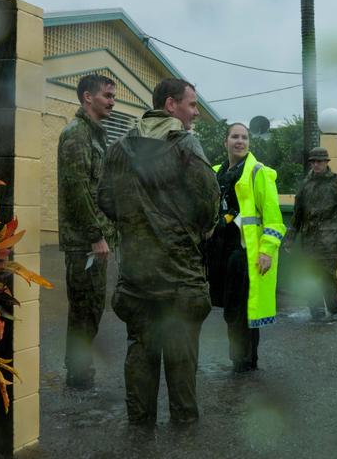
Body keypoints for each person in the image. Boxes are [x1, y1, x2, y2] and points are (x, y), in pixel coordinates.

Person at [98, 78, 219, 424]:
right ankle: (184, 435)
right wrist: (187, 231)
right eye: (192, 105)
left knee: (140, 352)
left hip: (136, 277)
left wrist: (136, 227)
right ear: (171, 105)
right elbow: (209, 205)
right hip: (182, 278)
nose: (195, 113)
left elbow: (105, 199)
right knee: (182, 361)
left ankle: (139, 430)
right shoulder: (186, 146)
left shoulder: (119, 147)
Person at [206, 123, 286, 373]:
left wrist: (267, 251)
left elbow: (274, 219)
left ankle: (243, 361)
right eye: (234, 137)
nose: (240, 141)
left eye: (244, 137)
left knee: (239, 309)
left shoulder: (258, 173)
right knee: (232, 308)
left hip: (245, 253)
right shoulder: (216, 172)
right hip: (220, 251)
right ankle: (246, 360)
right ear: (226, 142)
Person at [57, 74, 117, 389]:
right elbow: (76, 189)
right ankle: (78, 372)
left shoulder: (96, 134)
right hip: (84, 242)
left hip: (95, 238)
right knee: (84, 307)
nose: (111, 101)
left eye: (113, 96)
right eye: (107, 95)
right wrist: (95, 235)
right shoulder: (76, 134)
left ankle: (80, 366)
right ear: (87, 97)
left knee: (93, 306)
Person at [284, 146, 337, 320]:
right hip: (309, 240)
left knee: (328, 276)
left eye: (320, 161)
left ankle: (334, 307)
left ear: (326, 162)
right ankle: (316, 311)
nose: (316, 164)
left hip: (330, 241)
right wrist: (290, 239)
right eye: (313, 161)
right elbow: (297, 214)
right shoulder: (305, 185)